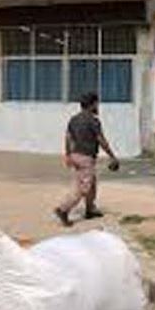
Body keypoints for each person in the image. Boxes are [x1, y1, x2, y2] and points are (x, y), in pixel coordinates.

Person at [55, 92, 119, 227]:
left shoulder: (74, 119)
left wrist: (68, 154)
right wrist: (112, 156)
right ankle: (63, 209)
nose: (98, 106)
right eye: (97, 103)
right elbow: (101, 140)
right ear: (92, 104)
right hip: (86, 158)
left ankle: (90, 209)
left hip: (75, 155)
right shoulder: (93, 121)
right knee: (83, 187)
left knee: (92, 182)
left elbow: (68, 137)